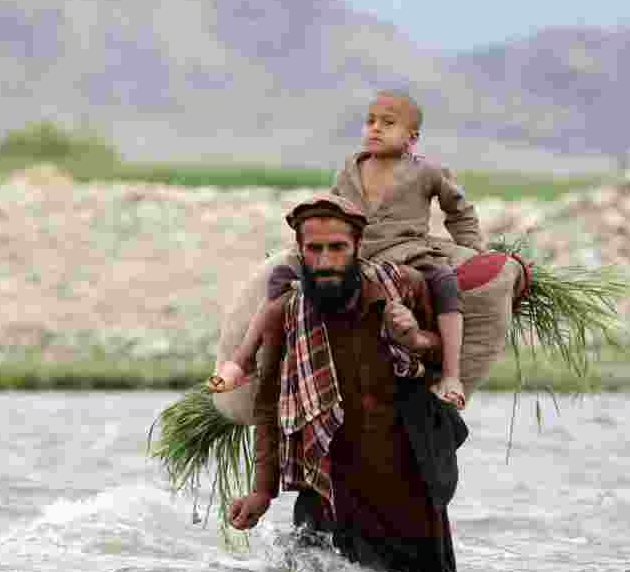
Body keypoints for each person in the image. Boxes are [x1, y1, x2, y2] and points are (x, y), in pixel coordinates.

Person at [227, 194, 465, 572]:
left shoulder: (403, 288)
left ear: (356, 247)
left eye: (337, 248)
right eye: (314, 249)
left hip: (407, 488)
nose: (324, 261)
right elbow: (268, 404)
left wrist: (414, 337)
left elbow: (440, 359)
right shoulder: (285, 313)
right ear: (300, 252)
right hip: (326, 485)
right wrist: (261, 492)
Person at [208, 89, 486, 409]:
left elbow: (459, 210)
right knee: (282, 274)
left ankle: (451, 375)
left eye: (388, 122)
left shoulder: (428, 171)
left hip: (406, 250)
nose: (375, 128)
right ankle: (241, 362)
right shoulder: (350, 167)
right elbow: (332, 209)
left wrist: (472, 248)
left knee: (444, 281)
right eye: (370, 121)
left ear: (412, 137)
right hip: (351, 252)